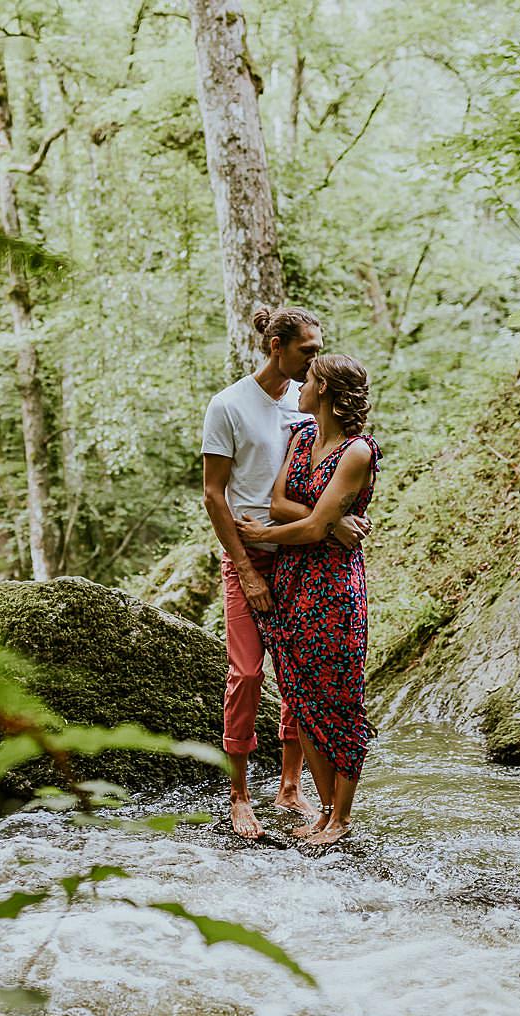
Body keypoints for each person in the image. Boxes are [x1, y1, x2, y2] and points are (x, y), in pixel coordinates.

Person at [201, 308, 370, 840]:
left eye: (318, 352)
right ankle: (239, 795)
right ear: (276, 346)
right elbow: (212, 494)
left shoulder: (308, 413)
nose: (314, 358)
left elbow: (330, 491)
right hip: (249, 554)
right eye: (308, 351)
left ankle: (291, 786)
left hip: (304, 561)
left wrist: (333, 522)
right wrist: (248, 571)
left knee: (299, 677)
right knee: (248, 674)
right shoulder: (228, 406)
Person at [237, 354, 380, 847]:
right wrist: (327, 522)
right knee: (300, 696)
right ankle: (323, 813)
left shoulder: (358, 451)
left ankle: (341, 819)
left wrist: (301, 526)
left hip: (334, 587)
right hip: (291, 580)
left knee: (338, 699)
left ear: (327, 390)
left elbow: (309, 524)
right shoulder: (300, 439)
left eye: (309, 380)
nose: (300, 386)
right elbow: (281, 505)